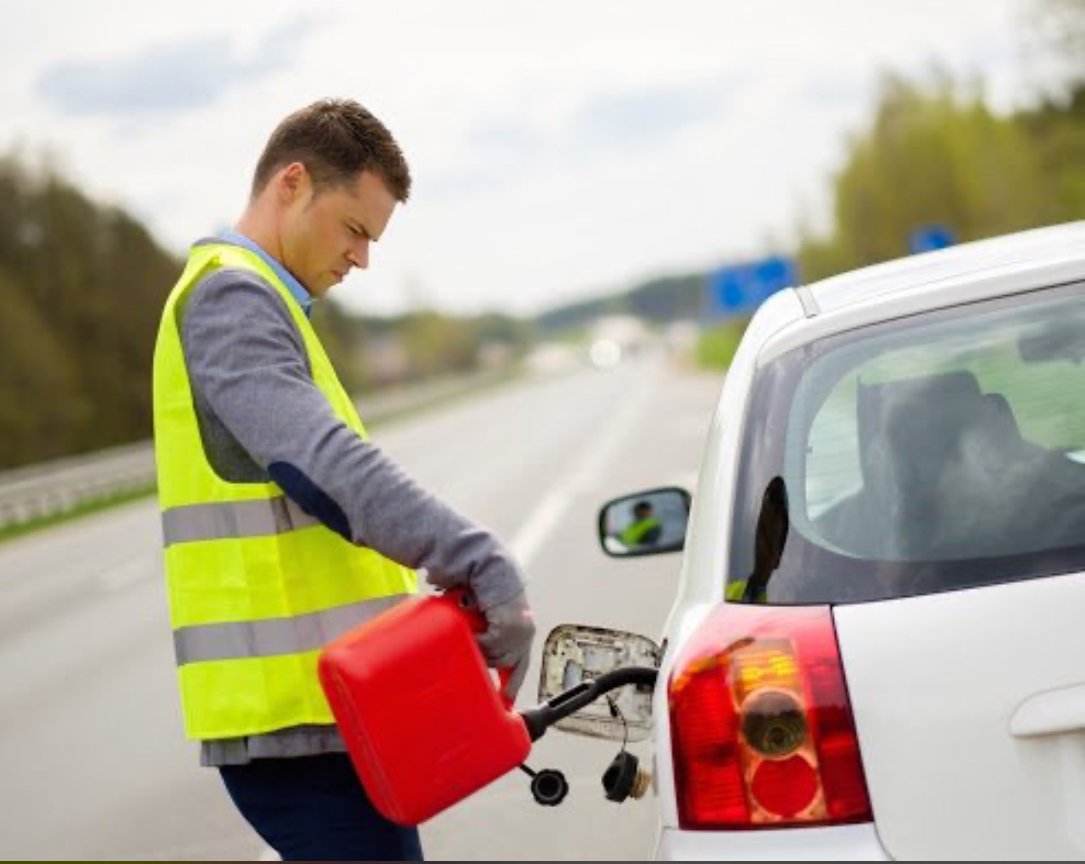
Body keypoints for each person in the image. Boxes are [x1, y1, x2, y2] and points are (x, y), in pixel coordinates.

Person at [151, 98, 535, 862]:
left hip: (333, 716)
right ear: (291, 183)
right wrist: (473, 555)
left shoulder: (261, 300)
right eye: (355, 229)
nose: (362, 258)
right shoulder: (232, 297)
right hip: (293, 731)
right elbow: (320, 464)